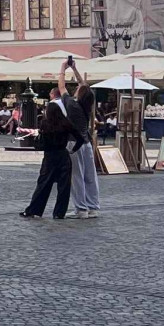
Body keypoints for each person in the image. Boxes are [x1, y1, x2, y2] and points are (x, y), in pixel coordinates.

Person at [61, 58, 100, 219]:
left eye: (77, 88)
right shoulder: (87, 103)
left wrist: (63, 69)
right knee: (90, 176)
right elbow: (85, 87)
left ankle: (81, 209)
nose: (77, 87)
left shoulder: (72, 104)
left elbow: (61, 87)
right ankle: (93, 207)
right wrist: (75, 70)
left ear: (79, 93)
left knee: (76, 176)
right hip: (86, 143)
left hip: (73, 143)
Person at [21, 98, 72, 219]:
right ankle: (59, 213)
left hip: (50, 156)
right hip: (63, 155)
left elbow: (43, 142)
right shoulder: (65, 123)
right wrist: (72, 149)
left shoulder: (45, 123)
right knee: (64, 187)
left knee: (43, 184)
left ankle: (34, 210)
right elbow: (79, 138)